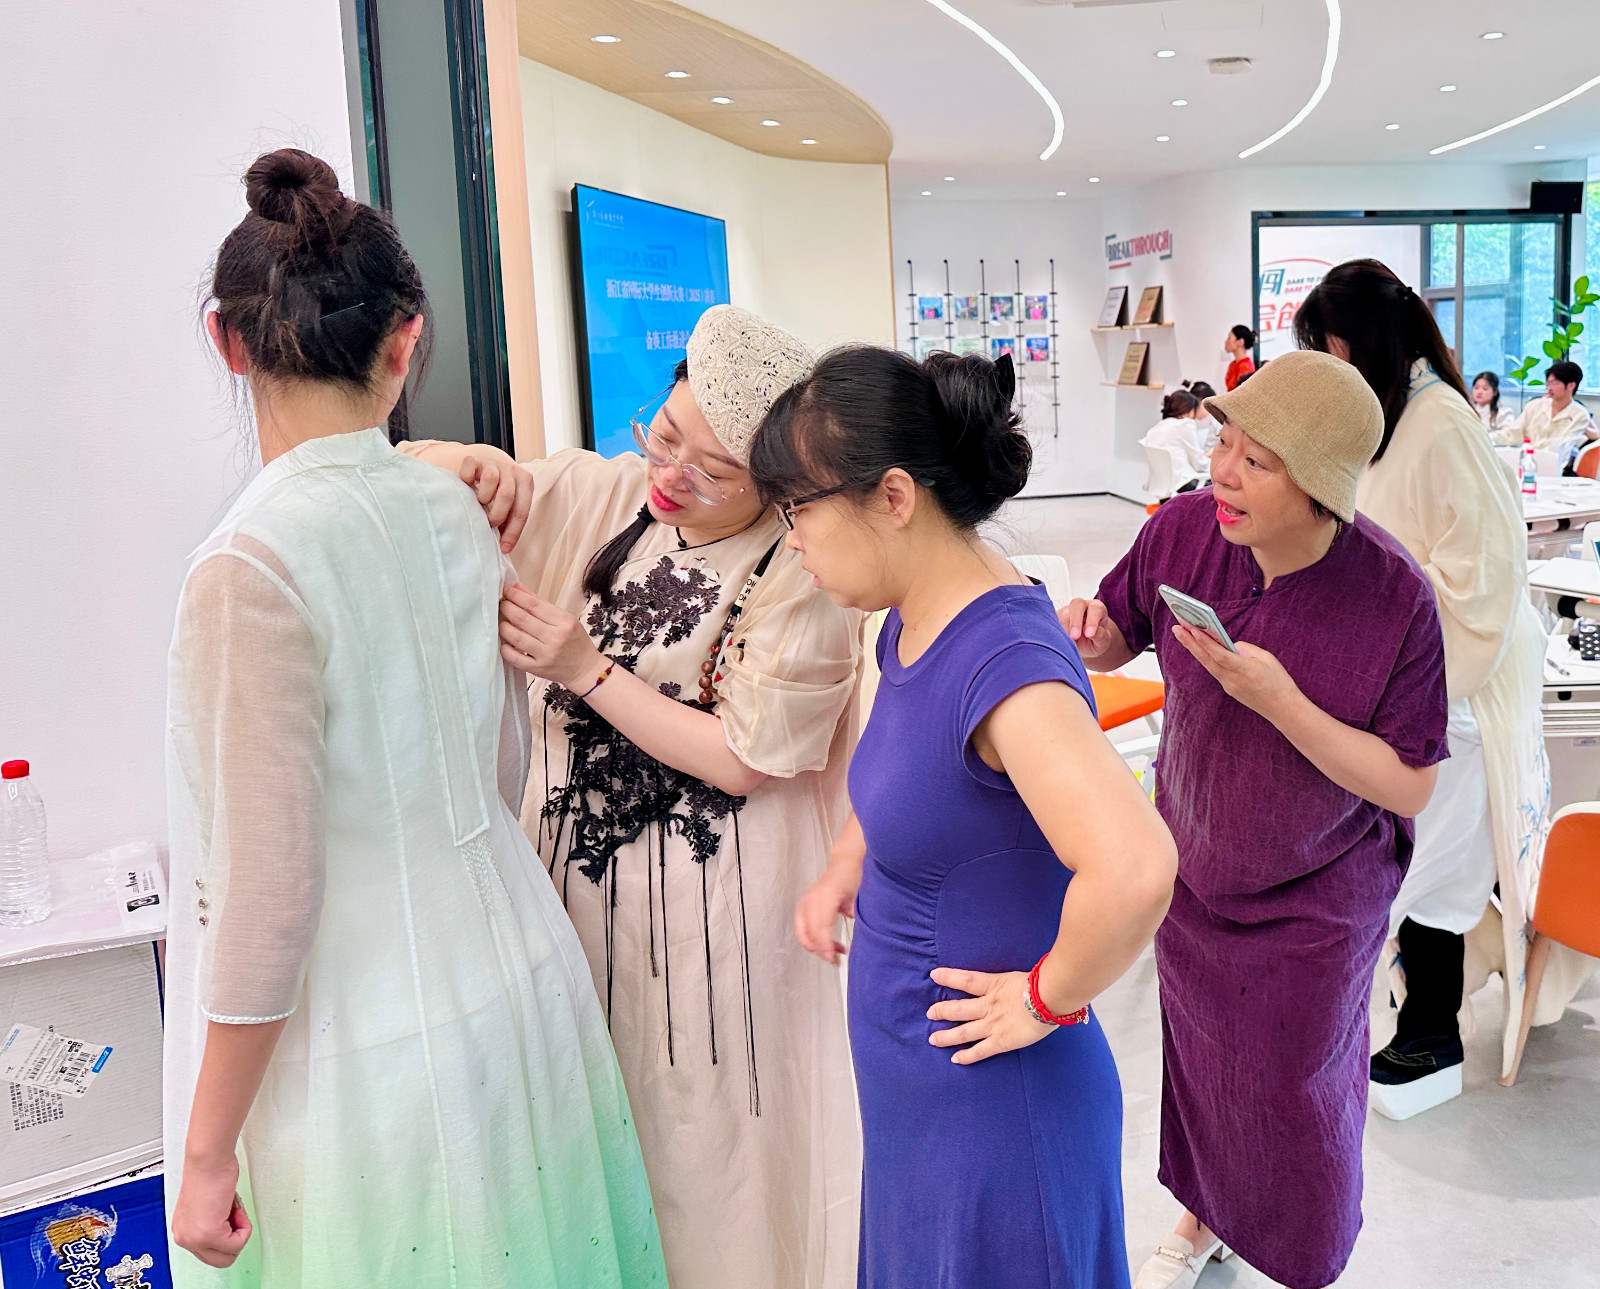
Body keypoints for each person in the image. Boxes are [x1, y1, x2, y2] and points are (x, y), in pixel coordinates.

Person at [164, 150, 663, 1286]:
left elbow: (268, 891)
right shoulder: (452, 508)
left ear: (226, 342)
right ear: (406, 344)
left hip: (360, 1046)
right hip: (519, 983)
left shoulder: (248, 563)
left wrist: (203, 1149)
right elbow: (498, 760)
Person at [402, 305, 863, 1289]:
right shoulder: (600, 493)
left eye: (714, 471)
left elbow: (743, 757)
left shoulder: (801, 563)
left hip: (715, 935)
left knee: (708, 1167)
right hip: (568, 911)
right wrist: (462, 462)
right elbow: (409, 479)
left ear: (777, 483)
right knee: (581, 1147)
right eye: (665, 435)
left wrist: (586, 668)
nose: (672, 475)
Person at [751, 346, 1178, 1289]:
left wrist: (1044, 997)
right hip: (923, 1106)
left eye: (799, 510)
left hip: (996, 1124)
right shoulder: (910, 618)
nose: (794, 541)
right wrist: (848, 863)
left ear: (893, 497)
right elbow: (911, 775)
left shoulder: (1005, 663)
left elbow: (1137, 866)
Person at [1063, 350, 1449, 1289]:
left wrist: (1280, 701)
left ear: (1321, 487)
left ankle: (1305, 1260)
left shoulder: (1394, 596)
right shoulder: (1185, 530)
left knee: (1295, 1094)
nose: (1224, 472)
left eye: (1257, 460)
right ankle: (1205, 1218)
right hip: (1196, 863)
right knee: (1206, 1074)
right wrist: (1089, 630)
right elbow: (1116, 628)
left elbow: (1409, 784)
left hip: (1319, 895)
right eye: (1224, 442)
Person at [1295, 260, 1560, 1103]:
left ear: (1365, 340)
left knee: (1433, 869)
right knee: (1425, 866)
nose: (1329, 365)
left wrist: (1387, 636)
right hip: (1413, 680)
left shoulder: (1441, 423)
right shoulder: (1394, 415)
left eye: (1332, 347)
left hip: (1455, 689)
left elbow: (1483, 581)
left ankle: (1430, 1034)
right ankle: (1426, 1026)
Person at [1495, 359, 1596, 468]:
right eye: (1548, 383)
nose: (1549, 388)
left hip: (1554, 465)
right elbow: (1512, 433)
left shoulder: (1580, 415)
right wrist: (1489, 439)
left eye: (1555, 383)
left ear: (1571, 385)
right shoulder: (1534, 406)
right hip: (1527, 462)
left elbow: (1563, 448)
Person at [1143, 389, 1210, 492]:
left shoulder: (1157, 428)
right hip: (1183, 483)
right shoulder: (1185, 424)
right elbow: (1200, 464)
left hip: (1163, 485)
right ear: (1189, 410)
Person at [1470, 370, 1512, 437]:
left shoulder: (1504, 412)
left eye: (1485, 389)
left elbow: (1507, 434)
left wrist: (1485, 437)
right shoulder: (1467, 410)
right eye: (1476, 388)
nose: (1479, 392)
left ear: (1495, 392)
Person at [1223, 324, 1256, 390]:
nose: (1226, 342)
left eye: (1229, 338)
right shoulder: (1233, 364)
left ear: (1240, 342)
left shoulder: (1245, 366)